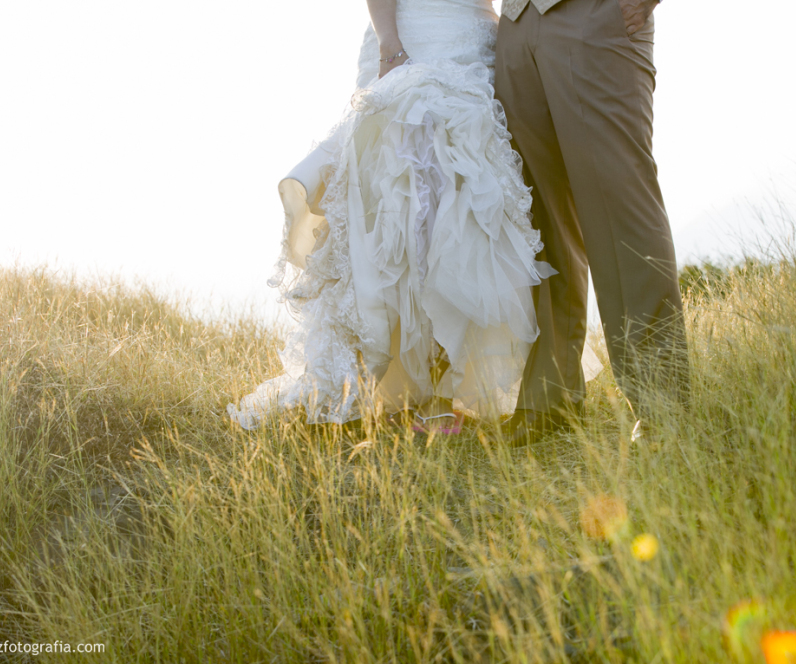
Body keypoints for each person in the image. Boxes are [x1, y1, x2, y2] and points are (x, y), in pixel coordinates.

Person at [228, 0, 602, 433]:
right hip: (407, 41)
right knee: (399, 208)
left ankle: (445, 386)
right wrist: (390, 45)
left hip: (476, 45)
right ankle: (379, 383)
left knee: (464, 215)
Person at [494, 0, 691, 446]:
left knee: (620, 205)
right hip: (516, 26)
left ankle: (662, 405)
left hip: (597, 16)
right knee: (537, 218)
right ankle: (551, 397)